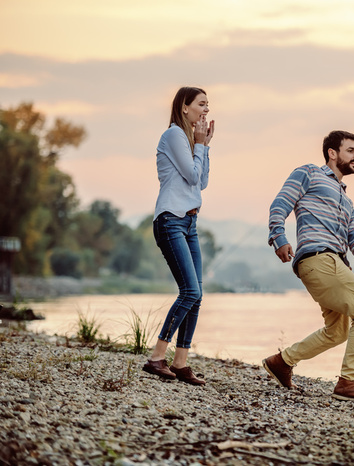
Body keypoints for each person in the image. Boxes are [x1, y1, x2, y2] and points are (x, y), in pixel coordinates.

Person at [263, 130, 354, 403]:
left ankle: (282, 362)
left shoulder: (346, 200)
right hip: (321, 258)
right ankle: (348, 382)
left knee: (338, 331)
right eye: (351, 150)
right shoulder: (309, 173)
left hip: (329, 264)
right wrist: (279, 238)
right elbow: (280, 204)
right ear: (333, 153)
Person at [142, 86, 214, 386]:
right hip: (171, 220)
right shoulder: (173, 135)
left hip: (189, 223)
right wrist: (198, 145)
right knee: (190, 292)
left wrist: (204, 146)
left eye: (208, 105)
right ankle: (157, 357)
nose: (206, 110)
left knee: (197, 296)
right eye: (201, 104)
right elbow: (193, 176)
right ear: (184, 107)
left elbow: (203, 182)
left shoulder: (189, 141)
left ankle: (180, 363)